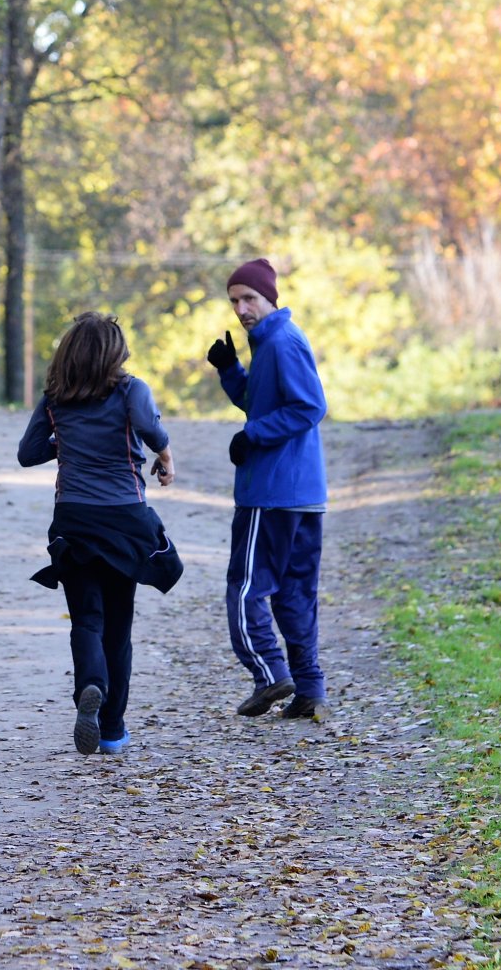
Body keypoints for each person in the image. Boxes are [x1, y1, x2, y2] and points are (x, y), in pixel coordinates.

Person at [18, 312, 184, 755]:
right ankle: (111, 730)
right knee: (119, 627)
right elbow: (150, 428)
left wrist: (68, 440)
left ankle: (90, 686)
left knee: (86, 620)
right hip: (123, 520)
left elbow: (28, 453)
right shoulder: (132, 390)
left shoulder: (56, 399)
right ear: (115, 355)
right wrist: (165, 454)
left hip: (73, 521)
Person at [205, 257, 331, 721]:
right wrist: (231, 371)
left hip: (272, 493)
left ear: (269, 298)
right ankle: (310, 690)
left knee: (245, 589)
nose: (241, 308)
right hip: (302, 494)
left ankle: (269, 673)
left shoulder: (280, 341)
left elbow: (309, 406)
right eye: (234, 300)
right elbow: (261, 402)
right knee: (294, 594)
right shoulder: (270, 343)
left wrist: (252, 436)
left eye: (249, 298)